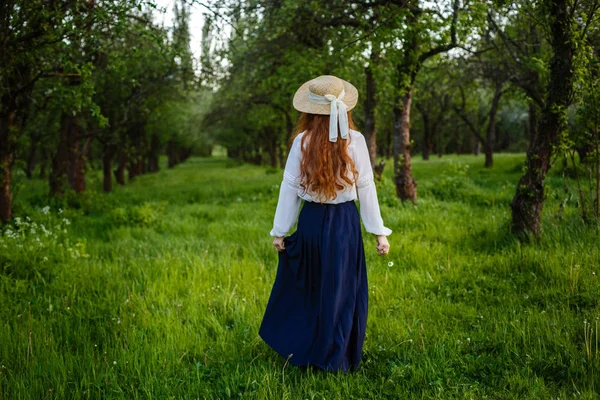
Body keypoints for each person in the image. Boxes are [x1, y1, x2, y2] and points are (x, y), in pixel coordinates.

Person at [258, 75, 392, 373]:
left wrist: (281, 231)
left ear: (309, 110)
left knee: (311, 287)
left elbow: (289, 188)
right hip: (345, 224)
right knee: (342, 289)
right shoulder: (354, 140)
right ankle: (338, 357)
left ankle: (309, 351)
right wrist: (378, 232)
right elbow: (366, 188)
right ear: (344, 108)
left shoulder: (301, 141)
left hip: (311, 222)